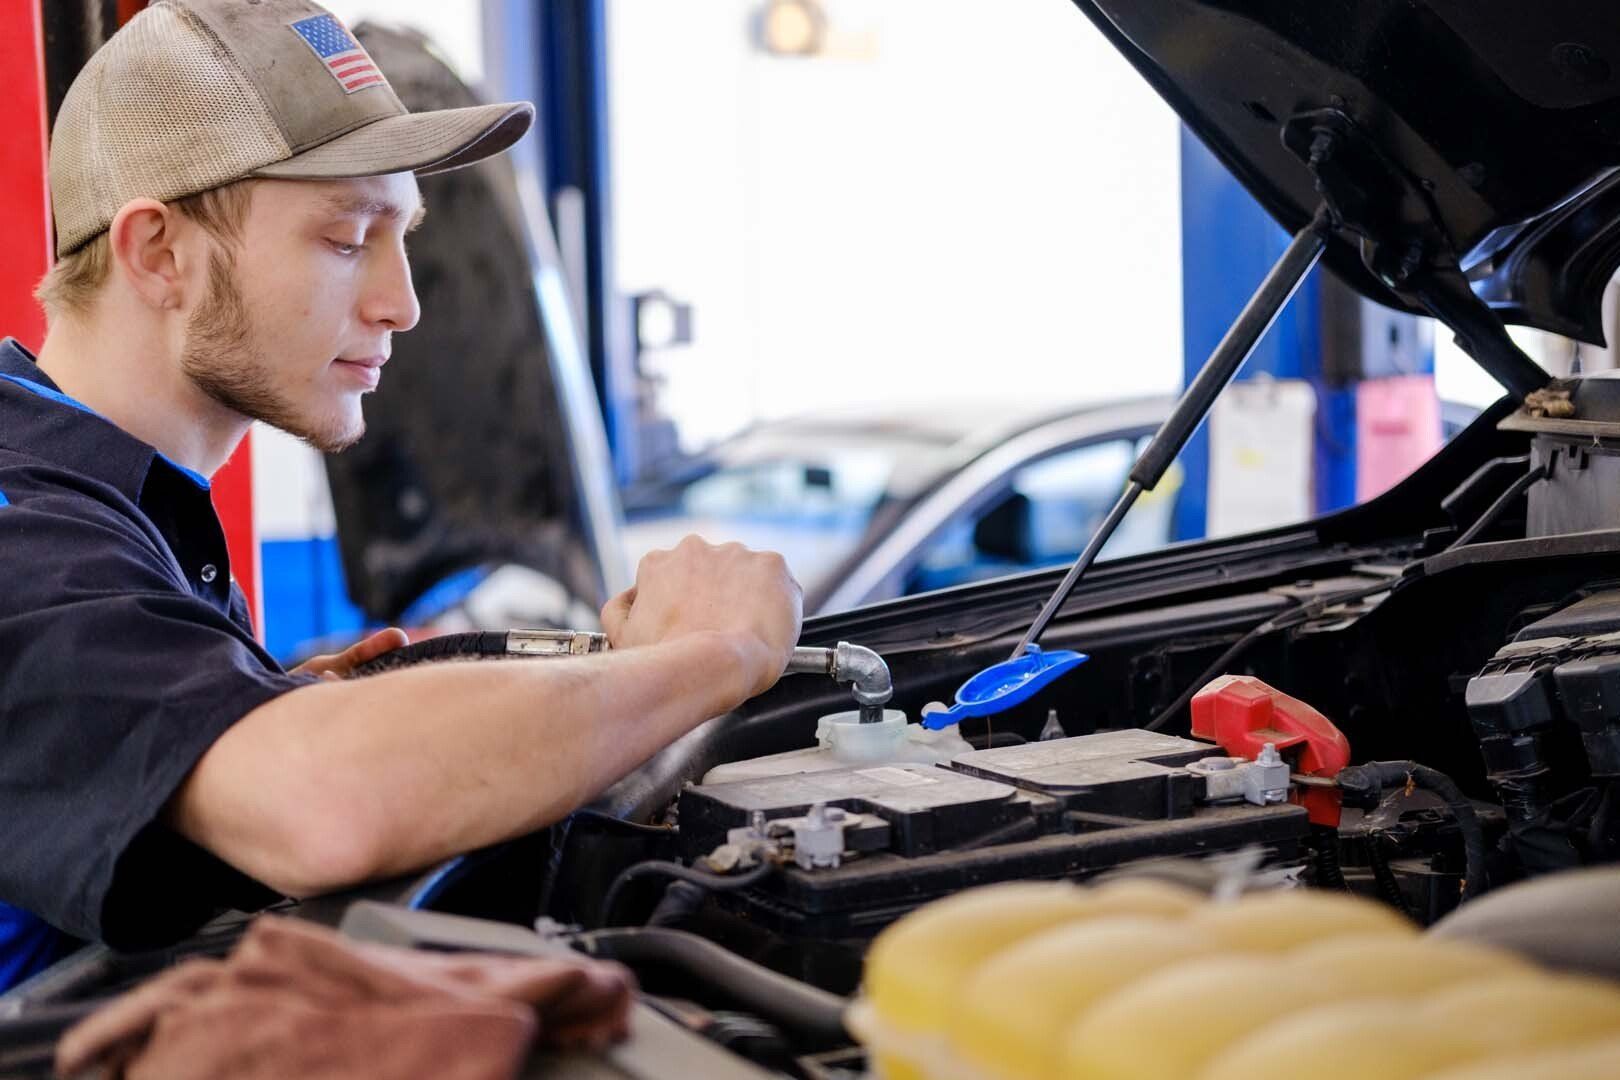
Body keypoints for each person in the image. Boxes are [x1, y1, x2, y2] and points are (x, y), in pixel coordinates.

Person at [0, 0, 801, 991]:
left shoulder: (120, 504)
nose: (403, 302)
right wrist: (718, 656)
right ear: (160, 253)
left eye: (404, 233)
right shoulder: (21, 527)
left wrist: (266, 710)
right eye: (347, 239)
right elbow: (321, 806)